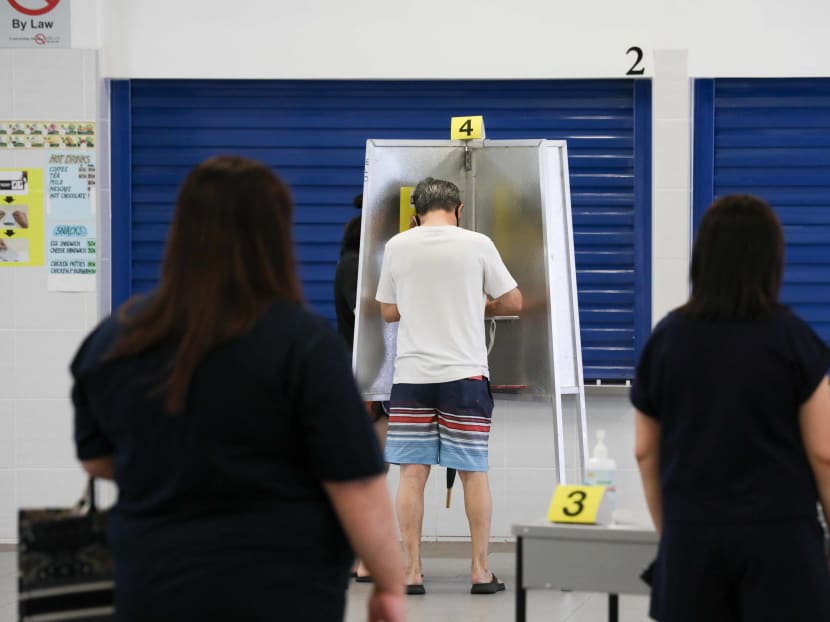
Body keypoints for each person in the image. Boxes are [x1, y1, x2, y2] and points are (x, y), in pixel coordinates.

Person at [71, 156, 406, 622]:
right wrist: (389, 585)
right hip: (281, 585)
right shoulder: (304, 344)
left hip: (149, 580)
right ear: (274, 237)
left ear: (181, 231)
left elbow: (96, 458)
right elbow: (356, 484)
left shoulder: (115, 338)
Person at [632, 194, 830, 621]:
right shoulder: (795, 339)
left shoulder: (666, 340)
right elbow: (824, 453)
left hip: (692, 536)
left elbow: (645, 450)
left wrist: (675, 533)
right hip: (782, 539)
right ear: (772, 261)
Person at [375, 177, 522, 595]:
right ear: (458, 209)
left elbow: (388, 312)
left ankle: (413, 572)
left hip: (412, 377)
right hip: (465, 376)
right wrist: (478, 304)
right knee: (474, 472)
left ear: (415, 212)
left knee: (411, 474)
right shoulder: (477, 243)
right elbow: (513, 301)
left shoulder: (399, 246)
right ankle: (479, 570)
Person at [333, 195, 390, 582]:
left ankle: (362, 556)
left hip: (371, 378)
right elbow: (367, 325)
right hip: (366, 381)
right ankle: (361, 557)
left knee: (373, 471)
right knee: (370, 473)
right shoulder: (356, 267)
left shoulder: (356, 265)